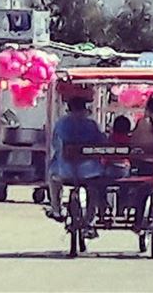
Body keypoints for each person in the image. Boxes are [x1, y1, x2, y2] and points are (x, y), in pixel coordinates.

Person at [46, 97, 105, 234]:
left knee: (52, 176)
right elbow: (101, 142)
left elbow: (55, 145)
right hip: (90, 171)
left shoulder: (61, 124)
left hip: (65, 170)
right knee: (93, 190)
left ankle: (56, 209)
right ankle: (90, 219)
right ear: (84, 110)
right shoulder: (91, 125)